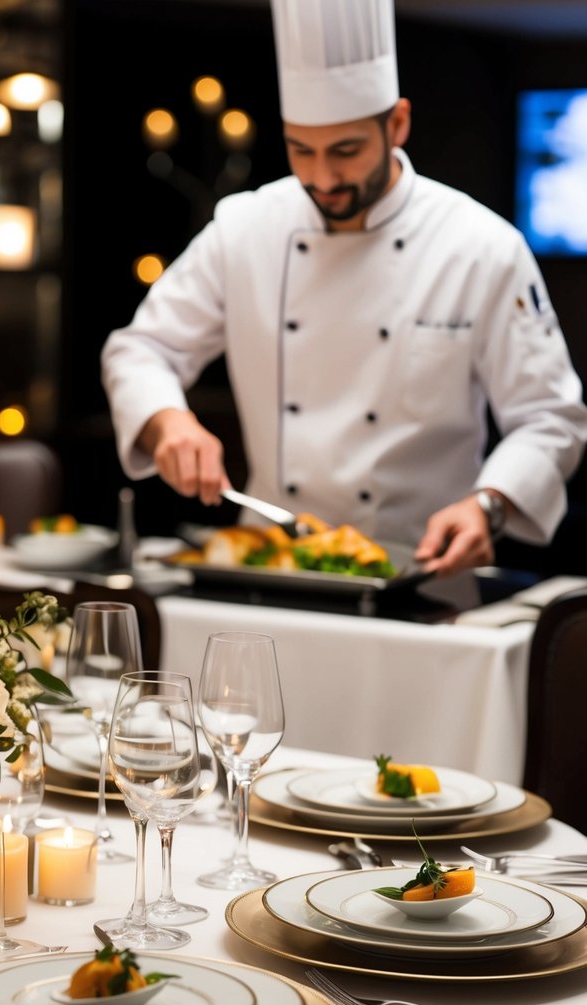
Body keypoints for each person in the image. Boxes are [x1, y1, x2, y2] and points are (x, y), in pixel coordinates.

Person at [101, 0, 587, 577]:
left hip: (420, 574)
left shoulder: (482, 246)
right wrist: (167, 421)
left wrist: (490, 505)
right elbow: (140, 349)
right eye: (301, 150)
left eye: (346, 151)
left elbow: (550, 417)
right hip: (268, 568)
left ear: (397, 124)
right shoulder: (246, 227)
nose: (322, 178)